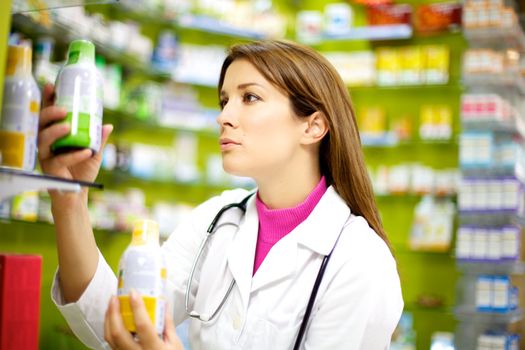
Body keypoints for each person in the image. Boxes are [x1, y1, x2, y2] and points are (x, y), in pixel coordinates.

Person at [39, 40, 403, 350]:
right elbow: (119, 321)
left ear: (313, 126)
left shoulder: (360, 260)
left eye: (250, 97)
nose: (225, 116)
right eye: (224, 101)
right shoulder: (216, 220)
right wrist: (70, 200)